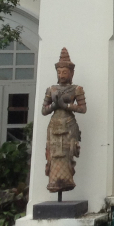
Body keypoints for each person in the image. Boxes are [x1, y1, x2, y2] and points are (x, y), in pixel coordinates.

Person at [42, 48, 86, 194]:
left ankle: (66, 181)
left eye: (64, 72)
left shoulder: (76, 89)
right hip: (54, 125)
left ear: (71, 73)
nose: (61, 75)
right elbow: (44, 111)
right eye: (59, 72)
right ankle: (54, 182)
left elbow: (83, 109)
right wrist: (55, 105)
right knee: (54, 154)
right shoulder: (51, 89)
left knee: (66, 153)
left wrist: (66, 106)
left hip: (68, 125)